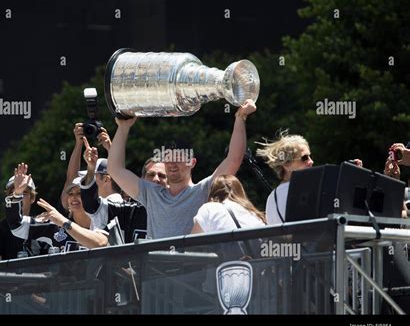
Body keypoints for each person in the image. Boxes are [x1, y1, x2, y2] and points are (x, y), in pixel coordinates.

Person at [108, 99, 257, 239]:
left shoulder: (203, 190)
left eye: (179, 158)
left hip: (192, 265)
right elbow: (115, 169)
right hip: (156, 266)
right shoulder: (151, 194)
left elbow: (234, 159)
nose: (172, 163)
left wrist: (240, 117)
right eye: (168, 158)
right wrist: (123, 128)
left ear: (192, 162)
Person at [7, 163, 109, 249]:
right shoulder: (54, 224)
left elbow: (101, 244)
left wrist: (64, 222)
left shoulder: (105, 222)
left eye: (79, 193)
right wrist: (17, 194)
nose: (74, 197)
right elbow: (17, 226)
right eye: (70, 193)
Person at [256, 130, 314, 225]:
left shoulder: (272, 198)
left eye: (310, 156)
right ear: (287, 164)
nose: (311, 161)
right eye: (304, 158)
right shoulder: (305, 190)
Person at [191, 174, 265, 234]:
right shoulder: (254, 213)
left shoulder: (208, 208)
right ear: (240, 191)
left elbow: (192, 245)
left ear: (213, 192)